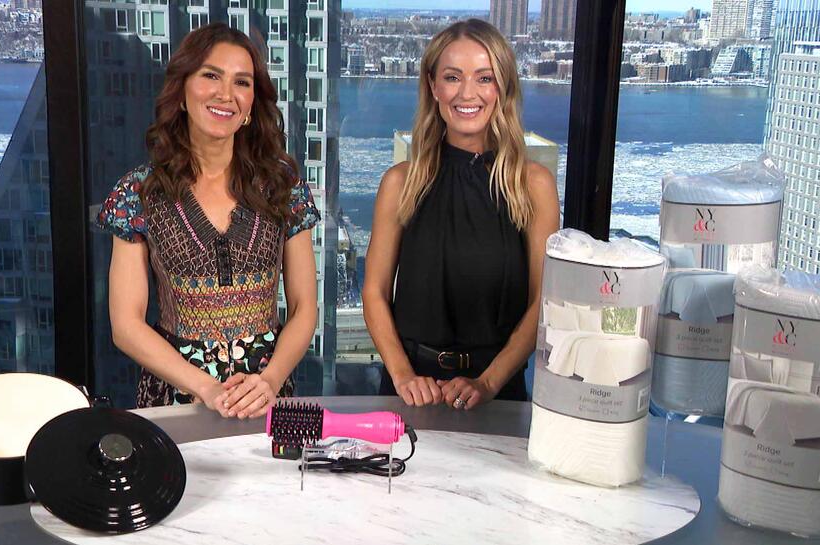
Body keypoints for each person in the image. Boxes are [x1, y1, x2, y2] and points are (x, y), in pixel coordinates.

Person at [98, 23, 319, 419]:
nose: (226, 94)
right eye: (211, 76)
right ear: (182, 91)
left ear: (252, 103)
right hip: (176, 402)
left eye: (242, 82)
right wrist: (206, 388)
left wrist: (269, 381)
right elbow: (126, 325)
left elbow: (304, 307)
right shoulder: (138, 193)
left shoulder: (283, 185)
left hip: (265, 400)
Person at [363, 19, 560, 411]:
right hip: (409, 390)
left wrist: (488, 383)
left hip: (496, 393)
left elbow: (544, 302)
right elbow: (374, 292)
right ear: (433, 86)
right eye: (453, 77)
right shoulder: (400, 183)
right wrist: (403, 376)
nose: (467, 93)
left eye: (484, 78)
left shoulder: (533, 185)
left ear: (503, 87)